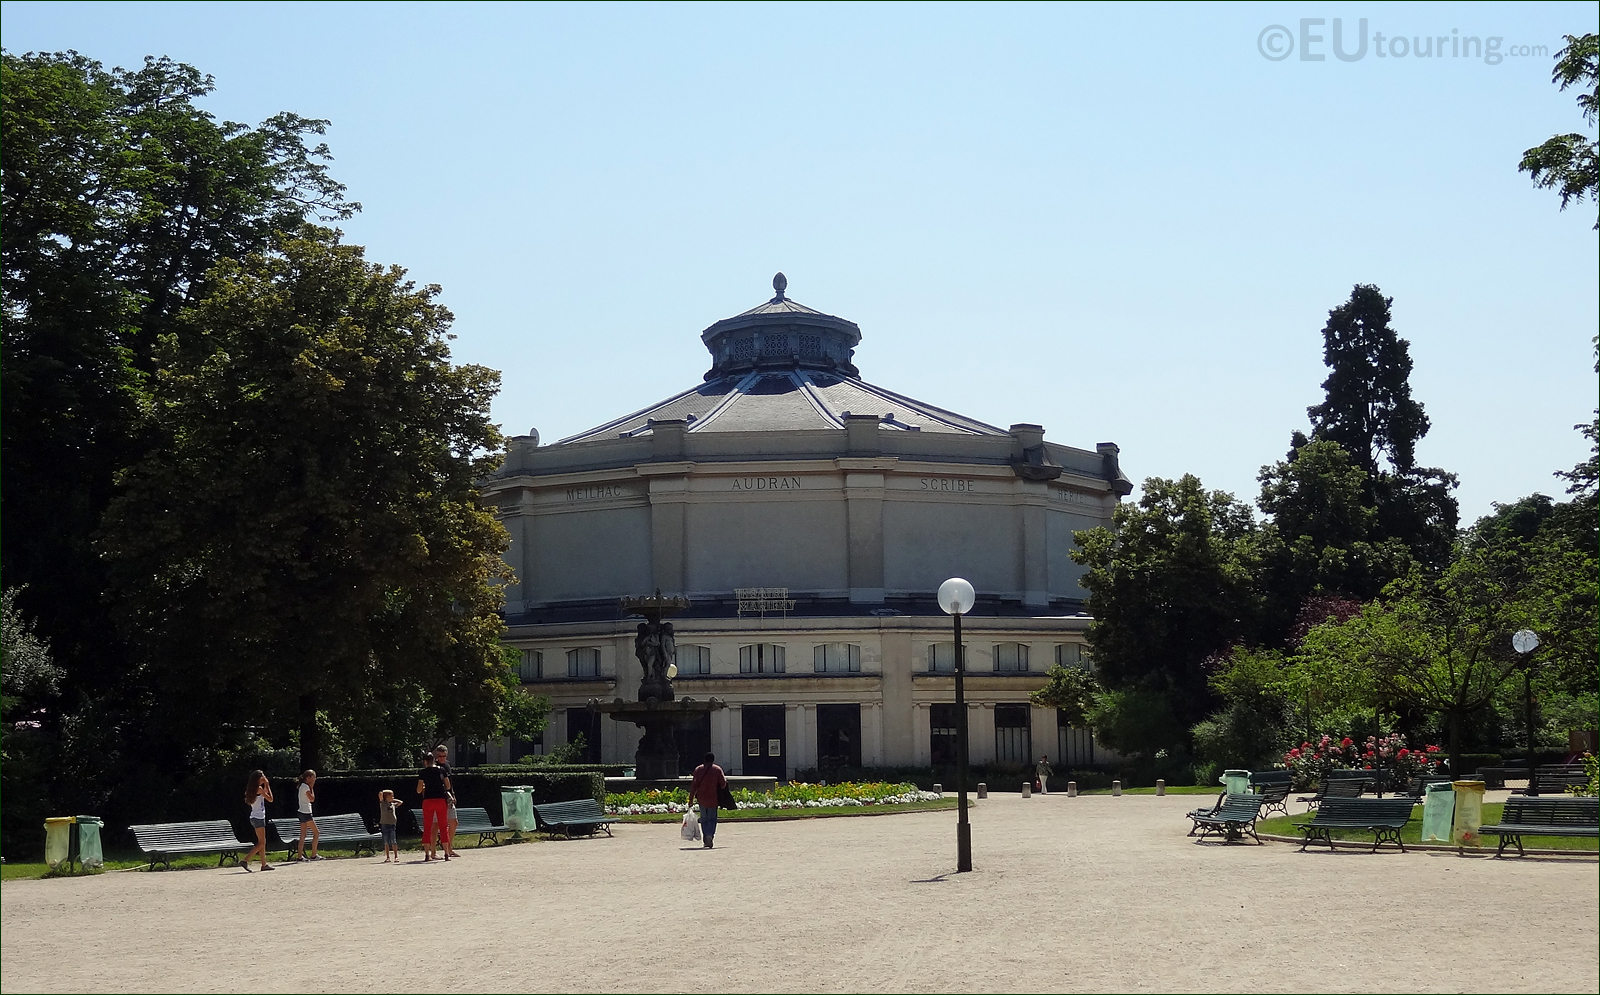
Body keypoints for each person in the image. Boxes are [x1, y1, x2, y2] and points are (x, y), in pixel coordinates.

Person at [416, 751, 453, 861]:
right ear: (434, 760)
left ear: (425, 761)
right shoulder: (441, 770)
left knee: (427, 827)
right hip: (440, 800)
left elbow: (418, 790)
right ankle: (446, 853)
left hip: (428, 801)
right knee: (443, 826)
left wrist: (424, 788)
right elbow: (448, 785)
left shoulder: (423, 772)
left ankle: (427, 854)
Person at [688, 752, 728, 849]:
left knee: (704, 819)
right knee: (712, 819)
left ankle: (706, 836)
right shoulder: (717, 769)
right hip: (713, 798)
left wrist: (691, 799)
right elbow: (723, 784)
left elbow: (694, 786)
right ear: (713, 759)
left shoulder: (698, 770)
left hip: (702, 798)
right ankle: (710, 835)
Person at [243, 770, 275, 872]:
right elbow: (270, 799)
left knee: (262, 842)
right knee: (261, 843)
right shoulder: (259, 789)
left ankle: (264, 864)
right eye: (262, 777)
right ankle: (245, 860)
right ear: (258, 779)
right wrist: (268, 784)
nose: (264, 778)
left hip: (254, 817)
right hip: (259, 818)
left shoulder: (251, 789)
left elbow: (263, 795)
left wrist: (265, 785)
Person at [434, 744, 460, 857]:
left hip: (448, 797)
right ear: (436, 755)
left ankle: (449, 847)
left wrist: (453, 795)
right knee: (436, 825)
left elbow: (450, 783)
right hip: (438, 798)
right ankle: (433, 850)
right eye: (440, 756)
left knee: (454, 822)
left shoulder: (447, 766)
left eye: (444, 756)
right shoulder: (434, 767)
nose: (442, 758)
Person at [293, 769, 322, 860]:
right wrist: (312, 787)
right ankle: (313, 855)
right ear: (308, 778)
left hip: (301, 811)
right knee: (316, 833)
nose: (315, 779)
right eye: (313, 777)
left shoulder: (302, 786)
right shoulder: (306, 787)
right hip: (306, 812)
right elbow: (312, 799)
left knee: (303, 835)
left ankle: (299, 857)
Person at [377, 788, 402, 863]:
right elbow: (380, 795)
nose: (393, 797)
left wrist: (393, 800)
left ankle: (396, 856)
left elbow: (401, 802)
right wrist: (384, 795)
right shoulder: (383, 804)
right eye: (391, 796)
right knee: (386, 842)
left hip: (392, 825)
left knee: (393, 841)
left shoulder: (393, 804)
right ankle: (388, 857)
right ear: (386, 797)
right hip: (385, 824)